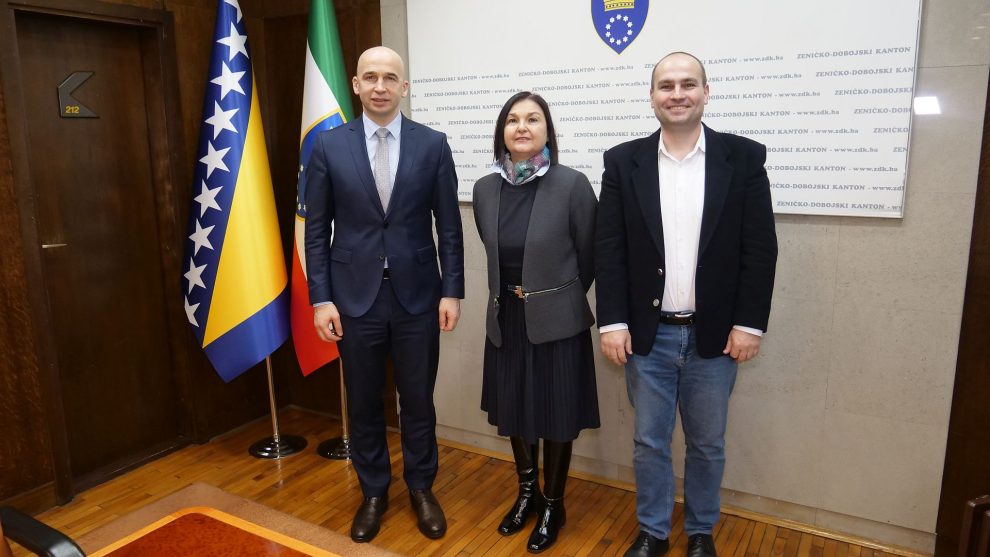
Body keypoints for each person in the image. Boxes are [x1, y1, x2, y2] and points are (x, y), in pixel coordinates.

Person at [594, 52, 777, 557]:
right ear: (652, 96)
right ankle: (653, 532)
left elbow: (759, 249)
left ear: (706, 92)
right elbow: (609, 249)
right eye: (666, 85)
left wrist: (749, 325)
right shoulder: (622, 162)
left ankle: (700, 532)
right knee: (649, 442)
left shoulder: (743, 158)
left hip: (715, 336)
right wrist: (612, 322)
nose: (677, 94)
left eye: (688, 84)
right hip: (647, 336)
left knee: (707, 443)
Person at [303, 46, 464, 543]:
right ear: (356, 85)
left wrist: (452, 291)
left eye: (390, 78)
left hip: (419, 298)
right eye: (370, 77)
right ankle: (373, 491)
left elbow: (450, 228)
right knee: (364, 401)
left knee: (417, 399)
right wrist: (320, 299)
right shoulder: (329, 147)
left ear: (404, 87)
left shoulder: (433, 145)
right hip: (354, 300)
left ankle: (421, 487)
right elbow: (316, 232)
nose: (380, 86)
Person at [473, 91, 600, 553]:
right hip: (506, 317)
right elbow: (492, 250)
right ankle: (526, 493)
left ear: (548, 131)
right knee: (515, 409)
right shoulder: (485, 189)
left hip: (556, 322)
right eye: (512, 120)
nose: (522, 127)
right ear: (501, 132)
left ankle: (553, 503)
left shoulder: (572, 185)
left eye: (533, 119)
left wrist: (552, 297)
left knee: (556, 413)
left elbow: (589, 258)